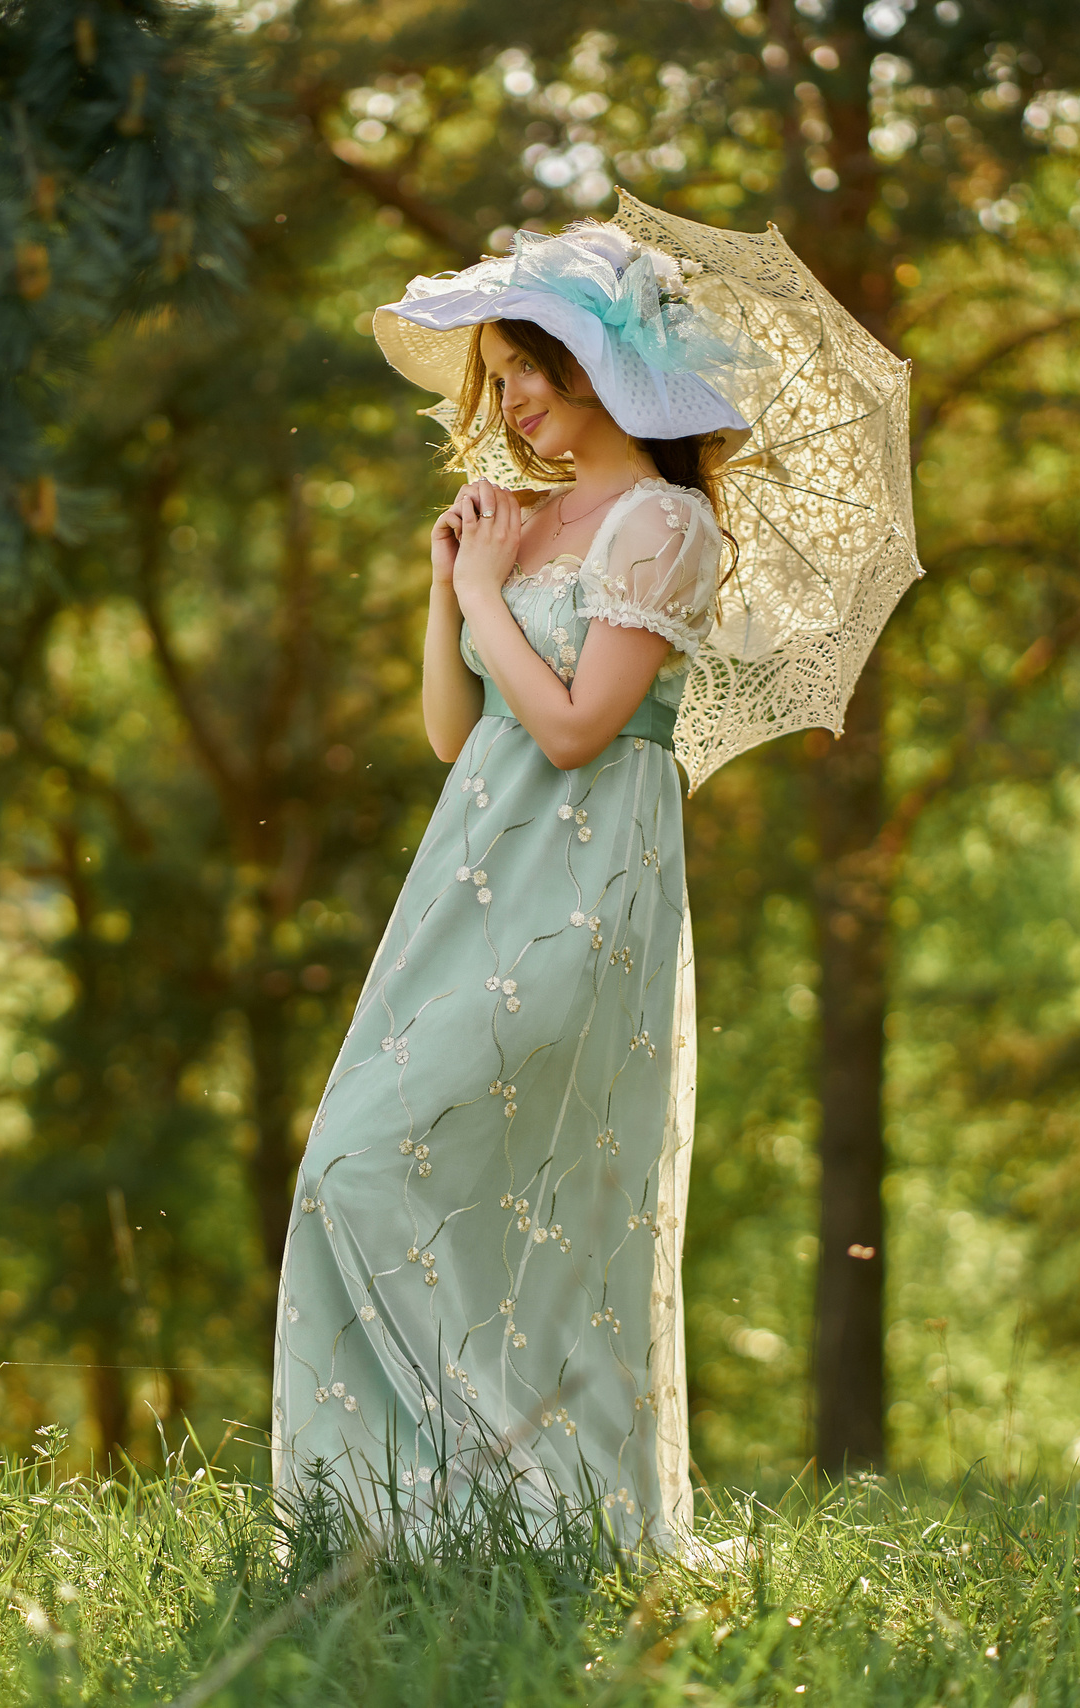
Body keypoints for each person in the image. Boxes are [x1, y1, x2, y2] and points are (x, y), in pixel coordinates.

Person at [269, 218, 759, 1555]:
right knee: (360, 1163)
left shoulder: (665, 525)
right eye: (499, 376)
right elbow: (454, 731)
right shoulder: (522, 519)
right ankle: (419, 1516)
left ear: (601, 363)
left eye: (530, 366)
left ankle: (540, 1507)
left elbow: (579, 727)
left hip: (583, 882)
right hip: (472, 872)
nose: (512, 397)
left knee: (477, 1179)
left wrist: (488, 590)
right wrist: (451, 586)